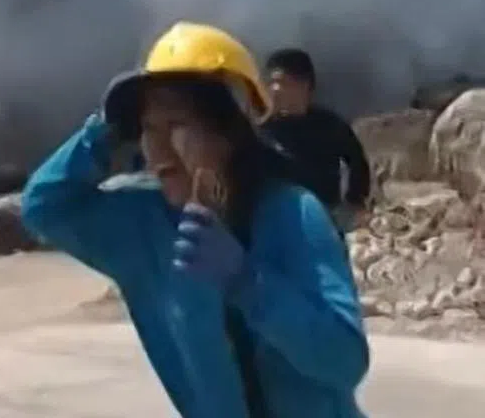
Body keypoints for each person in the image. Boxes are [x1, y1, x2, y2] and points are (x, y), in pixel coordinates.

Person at [21, 22, 369, 418]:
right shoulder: (143, 227)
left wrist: (247, 283)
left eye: (177, 125)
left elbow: (345, 362)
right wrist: (104, 130)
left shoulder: (292, 215)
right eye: (147, 128)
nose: (158, 147)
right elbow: (43, 206)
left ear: (230, 132)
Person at [261, 48, 372, 234]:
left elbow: (357, 162)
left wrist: (355, 201)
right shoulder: (263, 130)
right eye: (271, 82)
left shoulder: (329, 125)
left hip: (323, 220)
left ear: (304, 85)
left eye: (282, 82)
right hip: (276, 224)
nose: (274, 89)